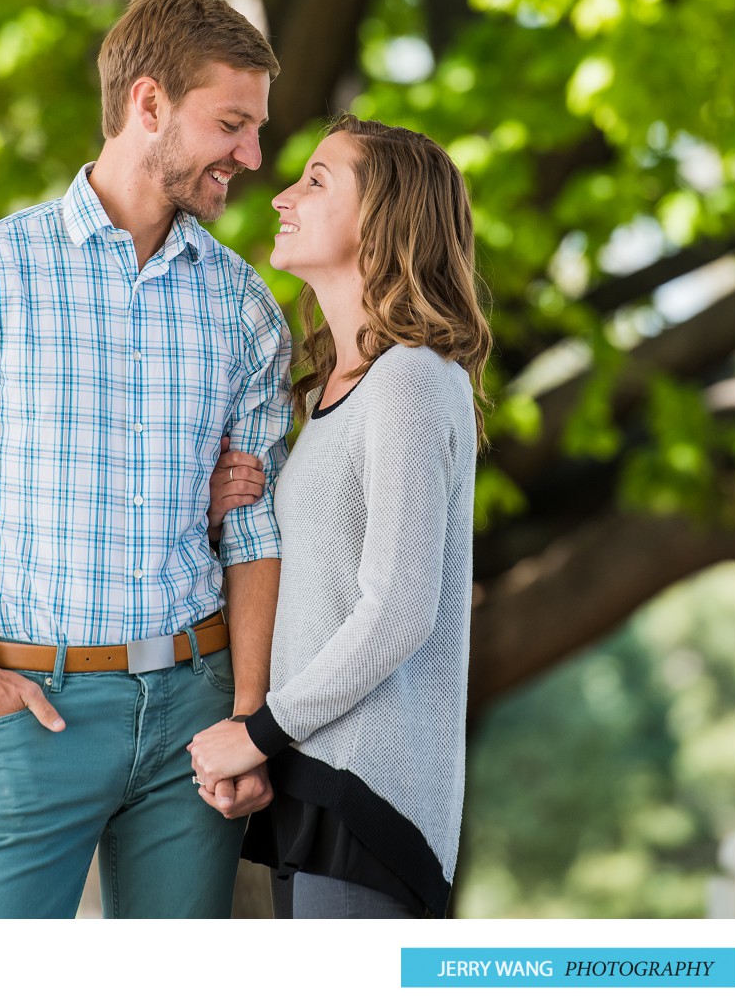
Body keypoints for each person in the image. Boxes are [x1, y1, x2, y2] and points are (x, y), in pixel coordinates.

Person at [0, 0, 294, 918]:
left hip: (196, 712)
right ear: (148, 106)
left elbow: (253, 530)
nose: (252, 157)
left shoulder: (246, 310)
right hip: (32, 709)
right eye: (231, 124)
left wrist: (250, 721)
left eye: (255, 130)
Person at [187, 114, 490, 920]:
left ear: (383, 218)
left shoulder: (414, 380)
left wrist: (257, 732)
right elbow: (318, 584)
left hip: (368, 795)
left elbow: (397, 611)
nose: (281, 195)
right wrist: (224, 515)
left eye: (316, 181)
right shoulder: (331, 391)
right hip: (314, 777)